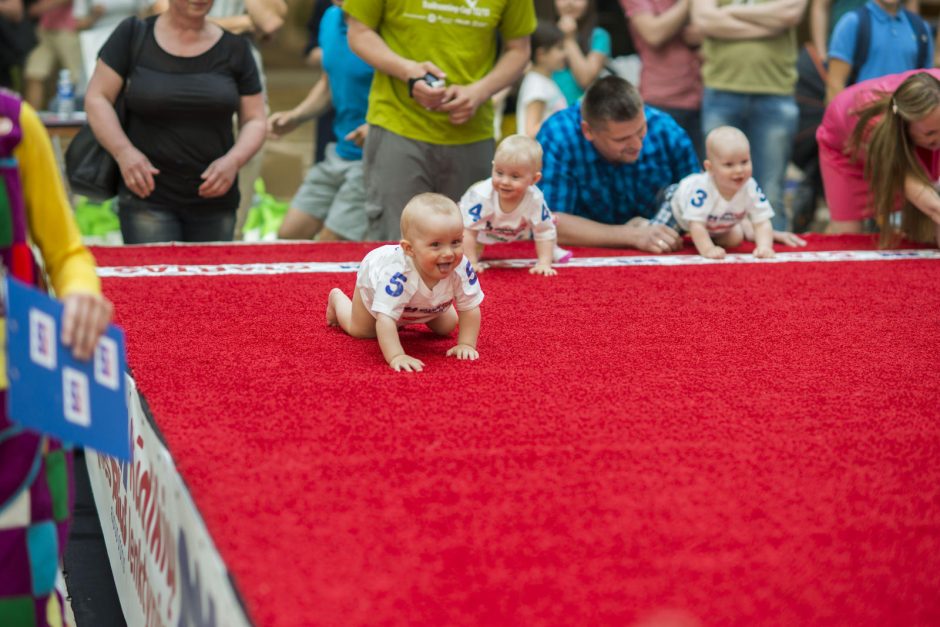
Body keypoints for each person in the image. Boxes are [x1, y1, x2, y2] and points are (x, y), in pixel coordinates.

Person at [0, 89, 113, 627]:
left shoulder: (13, 124)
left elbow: (66, 251)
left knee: (23, 589)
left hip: (15, 407)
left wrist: (81, 293)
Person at [344, 0, 536, 241]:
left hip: (472, 132)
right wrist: (408, 71)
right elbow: (358, 32)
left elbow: (519, 49)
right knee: (396, 245)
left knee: (472, 248)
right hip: (397, 124)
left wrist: (479, 92)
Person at [84, 2, 266, 244]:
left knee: (212, 281)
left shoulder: (236, 48)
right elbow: (98, 97)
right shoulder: (133, 34)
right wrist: (123, 152)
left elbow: (255, 119)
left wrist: (234, 161)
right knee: (153, 279)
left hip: (215, 198)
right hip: (146, 195)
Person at [536, 75, 699, 252]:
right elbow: (548, 222)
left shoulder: (666, 130)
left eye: (641, 130)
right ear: (588, 131)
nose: (637, 145)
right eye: (622, 139)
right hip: (583, 257)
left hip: (661, 252)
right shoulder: (559, 135)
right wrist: (632, 235)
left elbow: (700, 200)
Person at [326, 193, 483, 373]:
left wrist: (466, 344)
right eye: (436, 245)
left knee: (447, 326)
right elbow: (385, 319)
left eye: (455, 242)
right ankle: (337, 299)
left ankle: (426, 303)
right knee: (362, 331)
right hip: (374, 280)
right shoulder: (397, 274)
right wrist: (397, 355)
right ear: (409, 249)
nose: (448, 253)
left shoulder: (461, 266)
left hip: (420, 303)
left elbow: (470, 307)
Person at [691, 0, 807, 231]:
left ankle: (775, 261)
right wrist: (768, 24)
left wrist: (730, 12)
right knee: (714, 185)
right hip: (721, 90)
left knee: (771, 192)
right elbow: (703, 20)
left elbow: (790, 13)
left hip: (775, 92)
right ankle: (715, 255)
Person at [267, 0, 371, 241]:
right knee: (288, 237)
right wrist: (296, 116)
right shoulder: (330, 17)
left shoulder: (389, 23)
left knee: (329, 243)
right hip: (339, 151)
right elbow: (329, 82)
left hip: (374, 158)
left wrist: (378, 126)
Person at [817, 69, 940, 246]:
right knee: (848, 237)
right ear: (904, 124)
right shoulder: (873, 123)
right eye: (931, 133)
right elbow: (933, 207)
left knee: (925, 230)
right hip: (845, 146)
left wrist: (931, 135)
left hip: (908, 134)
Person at [652, 126, 776, 259]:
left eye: (744, 162)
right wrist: (708, 249)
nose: (739, 170)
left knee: (735, 239)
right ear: (710, 168)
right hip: (678, 211)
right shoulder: (703, 188)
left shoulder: (750, 186)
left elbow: (762, 221)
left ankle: (706, 238)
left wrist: (764, 247)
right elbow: (696, 224)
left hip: (714, 221)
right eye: (729, 164)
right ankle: (642, 223)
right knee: (659, 240)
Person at [460, 135, 559, 275]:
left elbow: (544, 231)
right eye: (499, 173)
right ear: (493, 167)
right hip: (479, 230)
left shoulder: (535, 199)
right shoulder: (482, 196)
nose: (505, 181)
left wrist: (544, 263)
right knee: (466, 251)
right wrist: (471, 262)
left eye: (515, 176)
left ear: (534, 179)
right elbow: (468, 230)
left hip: (512, 229)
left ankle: (554, 248)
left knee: (549, 224)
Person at [620, 0, 705, 161]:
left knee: (706, 177)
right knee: (661, 177)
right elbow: (654, 33)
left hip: (706, 96)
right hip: (662, 101)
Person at [825, 0, 932, 103]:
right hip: (860, 117)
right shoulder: (852, 22)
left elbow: (926, 84)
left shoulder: (921, 28)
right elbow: (834, 86)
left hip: (905, 117)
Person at [23, 0, 83, 107]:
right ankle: (30, 118)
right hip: (44, 31)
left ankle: (79, 115)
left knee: (76, 77)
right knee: (34, 73)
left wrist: (38, 8)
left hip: (67, 30)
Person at [516, 19, 568, 138]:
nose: (565, 53)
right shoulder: (537, 86)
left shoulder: (543, 81)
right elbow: (531, 131)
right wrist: (566, 120)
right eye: (560, 48)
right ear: (541, 55)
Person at [553, 0, 611, 105]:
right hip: (551, 111)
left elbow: (585, 80)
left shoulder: (599, 36)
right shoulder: (546, 36)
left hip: (582, 112)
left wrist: (569, 39)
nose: (569, 3)